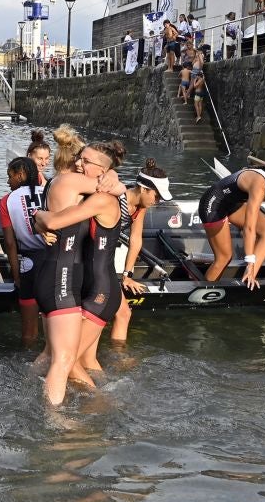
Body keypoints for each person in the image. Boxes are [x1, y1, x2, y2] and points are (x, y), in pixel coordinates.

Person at [32, 139, 126, 406]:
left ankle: (97, 403)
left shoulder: (99, 197)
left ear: (101, 170)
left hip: (97, 289)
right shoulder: (89, 189)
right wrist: (115, 180)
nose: (77, 163)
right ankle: (98, 400)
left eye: (85, 161)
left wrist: (37, 216)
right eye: (78, 157)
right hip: (76, 282)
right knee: (69, 359)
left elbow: (52, 220)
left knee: (65, 360)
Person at [198, 150, 265, 289]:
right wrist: (249, 260)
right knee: (224, 257)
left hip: (234, 203)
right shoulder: (259, 183)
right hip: (214, 203)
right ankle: (205, 292)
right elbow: (249, 227)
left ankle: (249, 278)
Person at [109, 159, 172, 344]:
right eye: (157, 196)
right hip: (88, 260)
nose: (157, 201)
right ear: (144, 189)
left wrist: (127, 275)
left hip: (103, 261)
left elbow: (136, 239)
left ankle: (116, 358)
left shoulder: (141, 206)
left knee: (123, 314)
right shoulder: (114, 201)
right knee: (121, 313)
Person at [0, 156, 45, 343]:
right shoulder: (49, 192)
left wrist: (16, 276)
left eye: (10, 176)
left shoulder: (7, 201)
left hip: (29, 264)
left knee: (29, 333)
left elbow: (10, 243)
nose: (8, 181)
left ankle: (28, 363)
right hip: (54, 260)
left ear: (20, 175)